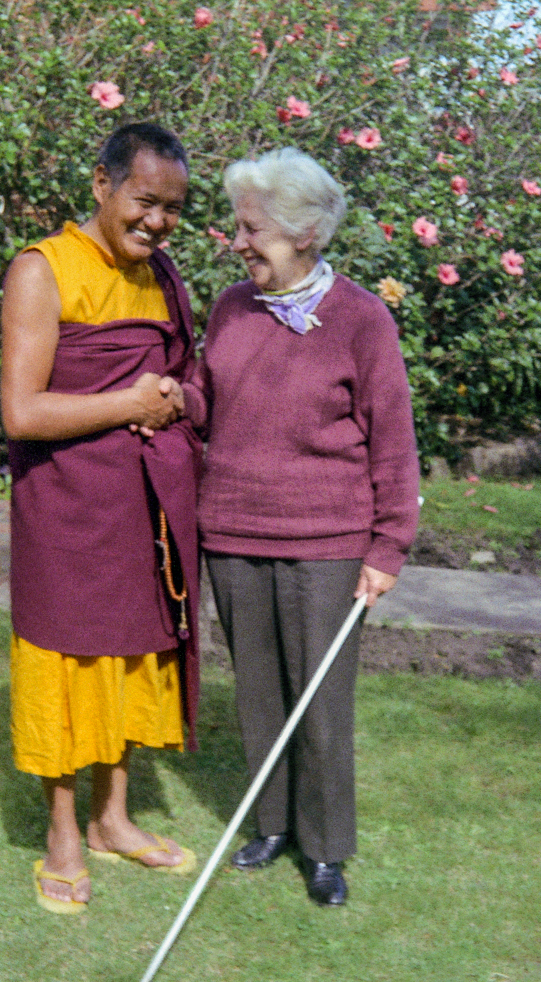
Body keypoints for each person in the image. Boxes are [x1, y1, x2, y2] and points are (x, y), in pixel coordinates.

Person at [181, 147, 421, 906]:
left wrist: (387, 549)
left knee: (321, 703)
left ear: (305, 234)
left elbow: (393, 440)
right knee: (258, 692)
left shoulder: (360, 318)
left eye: (254, 230)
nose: (239, 242)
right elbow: (203, 402)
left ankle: (325, 847)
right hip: (233, 535)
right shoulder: (228, 308)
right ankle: (272, 824)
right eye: (239, 227)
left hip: (327, 543)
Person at [0, 123, 202, 915]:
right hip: (64, 505)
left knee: (127, 656)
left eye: (173, 210)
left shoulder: (159, 278)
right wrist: (130, 402)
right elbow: (21, 410)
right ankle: (61, 836)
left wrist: (177, 399)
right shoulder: (42, 270)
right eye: (145, 202)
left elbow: (179, 376)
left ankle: (114, 820)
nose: (157, 222)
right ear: (102, 186)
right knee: (64, 662)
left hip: (139, 505)